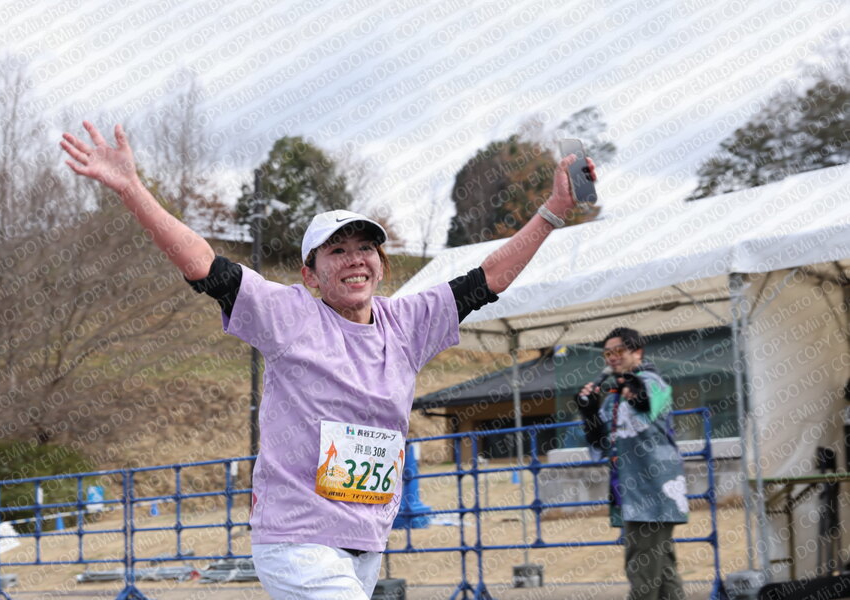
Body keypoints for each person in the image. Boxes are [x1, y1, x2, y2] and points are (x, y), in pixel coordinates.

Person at [61, 121, 596, 599]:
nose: (354, 259)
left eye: (365, 248)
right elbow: (204, 265)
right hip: (297, 539)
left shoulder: (408, 323)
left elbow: (489, 279)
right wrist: (131, 189)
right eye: (337, 251)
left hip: (366, 539)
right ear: (311, 275)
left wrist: (553, 210)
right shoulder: (289, 315)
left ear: (380, 263)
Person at [578, 327, 688, 600]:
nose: (612, 357)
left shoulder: (654, 382)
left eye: (619, 351)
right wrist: (589, 411)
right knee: (663, 572)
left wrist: (635, 390)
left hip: (654, 491)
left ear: (637, 352)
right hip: (631, 492)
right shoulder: (613, 398)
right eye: (607, 354)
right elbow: (601, 443)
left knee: (641, 570)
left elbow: (649, 402)